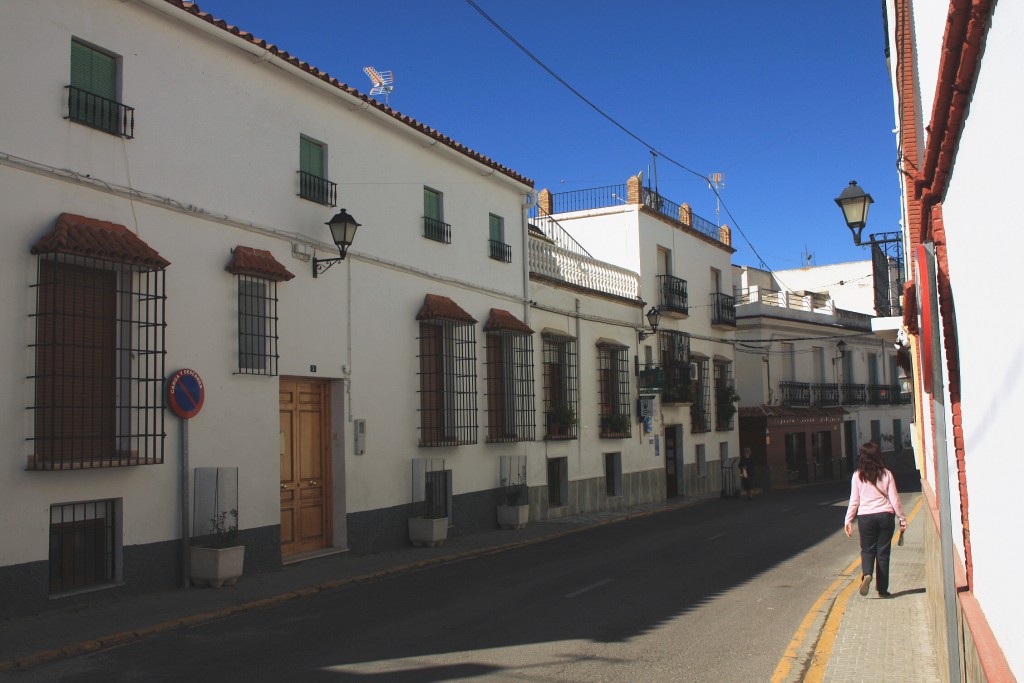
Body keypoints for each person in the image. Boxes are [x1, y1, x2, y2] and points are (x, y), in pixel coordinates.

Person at [844, 441, 907, 598]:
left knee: (867, 549)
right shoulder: (886, 474)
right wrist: (902, 518)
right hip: (885, 515)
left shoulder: (857, 476)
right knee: (883, 553)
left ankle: (867, 574)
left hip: (865, 517)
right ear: (878, 456)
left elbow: (854, 501)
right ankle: (883, 590)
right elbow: (895, 499)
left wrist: (848, 520)